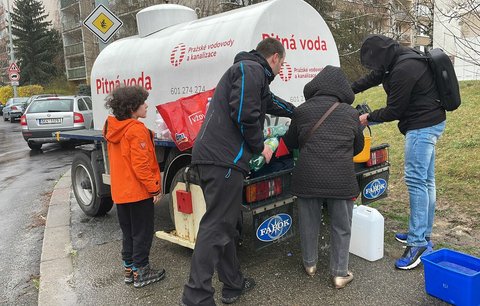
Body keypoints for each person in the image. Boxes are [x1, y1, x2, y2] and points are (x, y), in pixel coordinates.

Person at [181, 37, 295, 306]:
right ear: (275, 58)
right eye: (282, 64)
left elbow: (271, 103)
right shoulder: (249, 69)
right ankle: (195, 296)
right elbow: (244, 114)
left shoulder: (254, 75)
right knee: (217, 226)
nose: (281, 70)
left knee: (226, 226)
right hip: (223, 160)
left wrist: (298, 112)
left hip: (215, 158)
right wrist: (260, 148)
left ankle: (232, 284)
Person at [351, 34, 446, 270]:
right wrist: (345, 89)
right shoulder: (398, 58)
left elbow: (395, 110)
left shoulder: (404, 69)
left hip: (421, 127)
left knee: (416, 182)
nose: (375, 68)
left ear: (382, 56)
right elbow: (372, 77)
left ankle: (417, 243)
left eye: (374, 62)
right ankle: (422, 233)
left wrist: (367, 118)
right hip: (431, 122)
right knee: (426, 181)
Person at [282, 65, 364, 289]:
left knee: (308, 223)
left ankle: (310, 265)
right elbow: (358, 147)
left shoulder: (302, 110)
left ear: (316, 86)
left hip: (307, 178)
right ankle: (339, 274)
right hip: (341, 179)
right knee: (341, 226)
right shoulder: (351, 113)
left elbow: (290, 143)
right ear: (341, 90)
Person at [103, 86, 166, 288]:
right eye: (143, 102)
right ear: (132, 107)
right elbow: (141, 166)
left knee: (129, 233)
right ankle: (142, 272)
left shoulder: (113, 128)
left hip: (121, 193)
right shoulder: (136, 130)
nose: (146, 105)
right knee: (143, 233)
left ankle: (129, 270)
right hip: (138, 193)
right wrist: (154, 188)